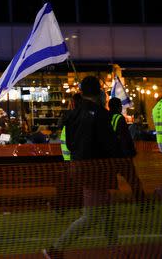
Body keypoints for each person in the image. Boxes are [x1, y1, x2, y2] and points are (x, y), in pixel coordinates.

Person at [43, 76, 121, 259]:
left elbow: (70, 143)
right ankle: (56, 248)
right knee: (92, 216)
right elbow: (109, 143)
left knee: (107, 212)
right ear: (98, 92)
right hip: (97, 168)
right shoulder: (101, 114)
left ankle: (116, 250)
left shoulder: (72, 114)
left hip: (80, 165)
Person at [108, 97, 146, 203]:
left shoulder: (106, 117)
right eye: (120, 105)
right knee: (134, 181)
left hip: (110, 156)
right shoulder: (119, 118)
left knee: (111, 183)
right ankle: (142, 203)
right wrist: (131, 152)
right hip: (122, 157)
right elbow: (126, 138)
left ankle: (110, 205)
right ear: (118, 107)